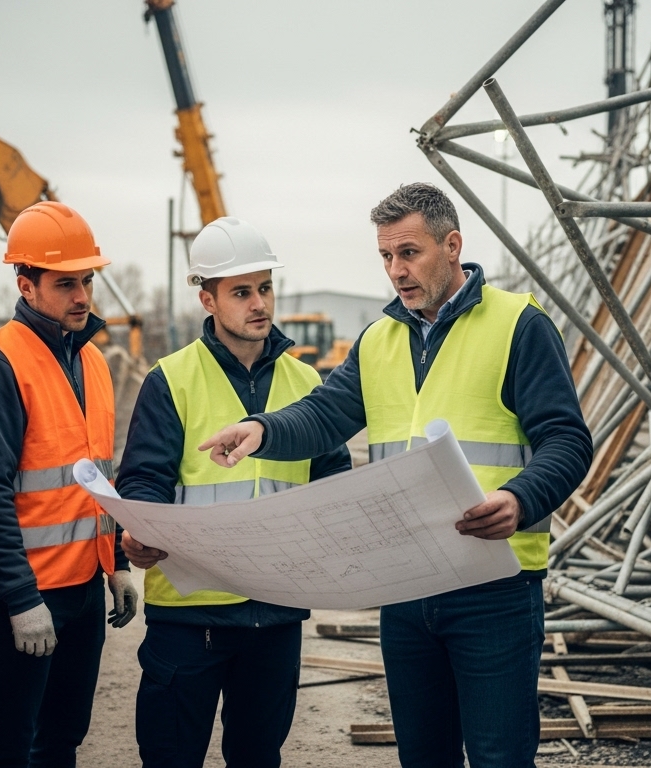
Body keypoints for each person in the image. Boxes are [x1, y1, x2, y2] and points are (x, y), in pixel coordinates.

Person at [198, 183, 592, 767]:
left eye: (409, 253)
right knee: (422, 757)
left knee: (500, 757)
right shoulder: (378, 340)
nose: (395, 271)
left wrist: (519, 498)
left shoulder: (519, 326)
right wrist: (263, 429)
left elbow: (568, 440)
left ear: (452, 246)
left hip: (494, 590)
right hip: (407, 590)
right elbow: (325, 413)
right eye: (385, 256)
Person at [116, 217, 352, 767]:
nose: (259, 303)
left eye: (265, 288)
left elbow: (333, 479)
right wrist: (140, 531)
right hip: (190, 616)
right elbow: (144, 478)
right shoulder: (171, 379)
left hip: (276, 613)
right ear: (208, 299)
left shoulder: (306, 383)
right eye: (241, 292)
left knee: (258, 756)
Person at [0, 201, 136, 767]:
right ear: (25, 284)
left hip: (82, 586)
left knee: (61, 739)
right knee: (6, 745)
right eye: (65, 283)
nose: (82, 296)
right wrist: (21, 599)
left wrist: (117, 562)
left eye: (87, 280)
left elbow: (97, 476)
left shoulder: (93, 362)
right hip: (25, 595)